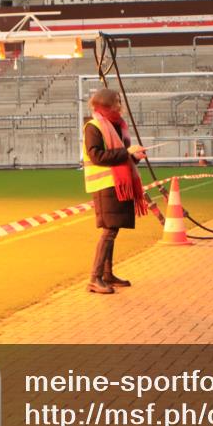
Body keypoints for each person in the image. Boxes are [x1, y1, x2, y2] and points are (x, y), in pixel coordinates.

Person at [82, 88, 148, 295]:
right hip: (105, 185)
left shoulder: (116, 125)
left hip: (116, 183)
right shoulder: (93, 127)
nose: (120, 104)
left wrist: (134, 156)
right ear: (107, 104)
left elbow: (120, 156)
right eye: (117, 101)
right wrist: (126, 152)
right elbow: (97, 157)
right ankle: (94, 278)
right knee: (109, 230)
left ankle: (107, 274)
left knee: (113, 229)